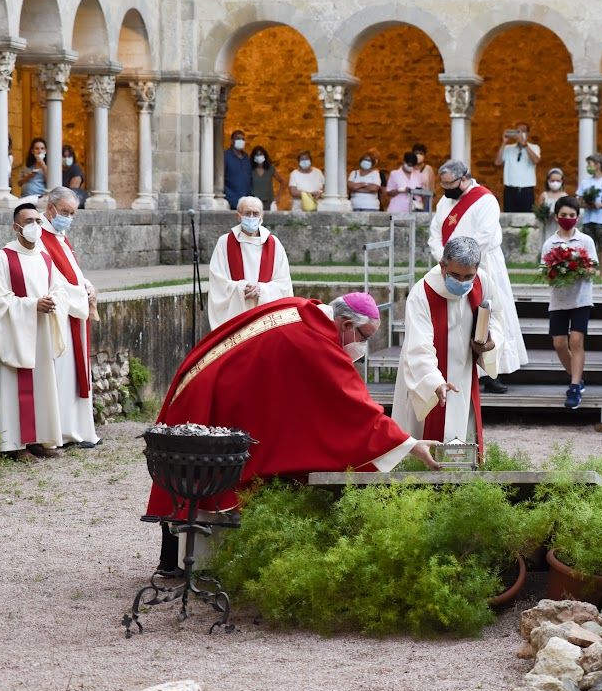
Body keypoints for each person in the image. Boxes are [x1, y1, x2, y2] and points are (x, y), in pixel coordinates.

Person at [146, 292, 446, 571]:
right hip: (213, 394)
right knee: (209, 471)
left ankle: (173, 559)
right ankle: (189, 564)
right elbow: (355, 407)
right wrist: (410, 444)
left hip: (207, 383)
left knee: (200, 471)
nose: (363, 348)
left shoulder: (301, 310)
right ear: (345, 324)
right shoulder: (315, 342)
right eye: (364, 337)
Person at [392, 236, 503, 453]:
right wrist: (434, 382)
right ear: (443, 265)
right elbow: (418, 345)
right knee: (425, 433)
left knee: (462, 432)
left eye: (468, 276)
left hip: (463, 371)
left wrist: (490, 343)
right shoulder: (421, 293)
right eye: (455, 275)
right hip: (429, 375)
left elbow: (497, 318)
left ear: (477, 268)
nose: (462, 282)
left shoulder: (482, 281)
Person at [428, 160, 527, 390]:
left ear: (463, 179)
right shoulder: (445, 201)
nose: (445, 189)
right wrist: (443, 259)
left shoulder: (485, 200)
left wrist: (461, 260)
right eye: (442, 185)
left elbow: (484, 236)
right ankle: (457, 370)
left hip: (483, 264)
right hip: (448, 267)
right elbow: (435, 232)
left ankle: (493, 372)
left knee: (488, 315)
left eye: (449, 183)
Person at [0, 203, 67, 462]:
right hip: (19, 333)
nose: (34, 226)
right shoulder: (2, 259)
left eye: (37, 221)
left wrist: (54, 301)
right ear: (16, 227)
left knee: (44, 385)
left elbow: (58, 288)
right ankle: (18, 444)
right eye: (28, 221)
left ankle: (40, 439)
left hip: (41, 332)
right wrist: (32, 305)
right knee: (17, 386)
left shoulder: (44, 258)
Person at [38, 187, 100, 449]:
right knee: (63, 375)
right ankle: (63, 431)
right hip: (59, 316)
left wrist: (86, 285)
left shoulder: (60, 236)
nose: (68, 218)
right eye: (64, 212)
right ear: (50, 208)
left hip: (73, 312)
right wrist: (78, 294)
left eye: (72, 214)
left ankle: (79, 429)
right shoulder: (40, 236)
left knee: (76, 374)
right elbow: (50, 277)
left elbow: (72, 272)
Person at [540, 196, 597, 409]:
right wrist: (558, 270)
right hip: (558, 300)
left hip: (581, 299)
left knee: (576, 341)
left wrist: (578, 267)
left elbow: (592, 269)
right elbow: (545, 272)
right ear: (556, 217)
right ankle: (577, 376)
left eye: (572, 215)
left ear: (577, 217)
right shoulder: (550, 243)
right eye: (563, 215)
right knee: (559, 344)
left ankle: (574, 387)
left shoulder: (585, 241)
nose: (567, 218)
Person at [207, 196, 293, 328]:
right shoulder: (225, 242)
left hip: (265, 318)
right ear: (238, 216)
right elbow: (218, 282)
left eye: (255, 214)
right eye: (247, 213)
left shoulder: (273, 244)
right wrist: (242, 288)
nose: (251, 217)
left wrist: (262, 290)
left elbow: (284, 283)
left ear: (262, 216)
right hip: (235, 316)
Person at [493, 121, 540, 213]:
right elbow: (497, 162)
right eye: (517, 131)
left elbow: (536, 160)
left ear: (528, 134)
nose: (520, 134)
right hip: (510, 190)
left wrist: (524, 144)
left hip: (527, 190)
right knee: (509, 217)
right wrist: (504, 142)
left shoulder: (534, 147)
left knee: (527, 218)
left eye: (523, 131)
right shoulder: (508, 148)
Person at [223, 130, 253, 209]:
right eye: (238, 139)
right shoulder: (225, 156)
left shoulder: (246, 157)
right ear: (232, 141)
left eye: (243, 139)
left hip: (245, 199)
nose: (241, 141)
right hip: (230, 198)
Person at [247, 145, 281, 209]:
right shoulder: (250, 169)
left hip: (268, 202)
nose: (259, 156)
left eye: (261, 154)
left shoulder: (270, 169)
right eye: (257, 155)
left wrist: (278, 196)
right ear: (253, 157)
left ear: (265, 155)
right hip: (253, 203)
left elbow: (283, 182)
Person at [537, 167, 566, 240]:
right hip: (547, 225)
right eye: (552, 180)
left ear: (562, 181)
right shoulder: (544, 195)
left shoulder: (564, 196)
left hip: (559, 226)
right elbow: (538, 210)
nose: (555, 183)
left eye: (558, 181)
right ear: (548, 181)